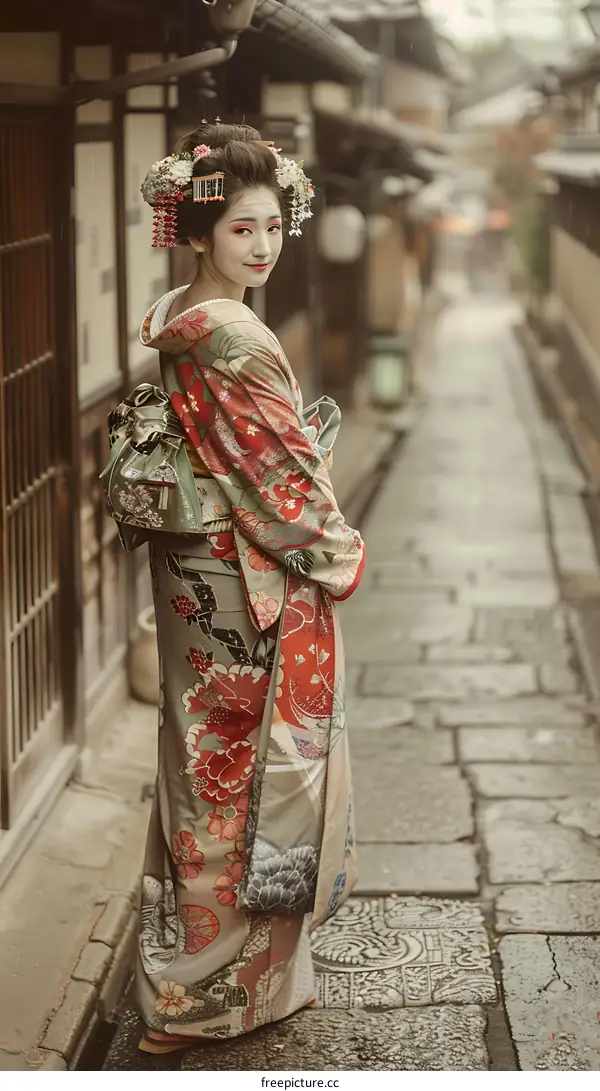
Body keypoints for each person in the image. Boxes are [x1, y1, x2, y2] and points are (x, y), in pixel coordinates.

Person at [116, 121, 365, 1053]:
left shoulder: (181, 315)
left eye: (271, 227)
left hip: (190, 581)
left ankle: (196, 982)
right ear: (197, 232)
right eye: (240, 230)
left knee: (199, 767)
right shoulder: (238, 337)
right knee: (245, 780)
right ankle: (204, 998)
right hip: (242, 582)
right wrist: (340, 551)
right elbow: (281, 480)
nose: (262, 246)